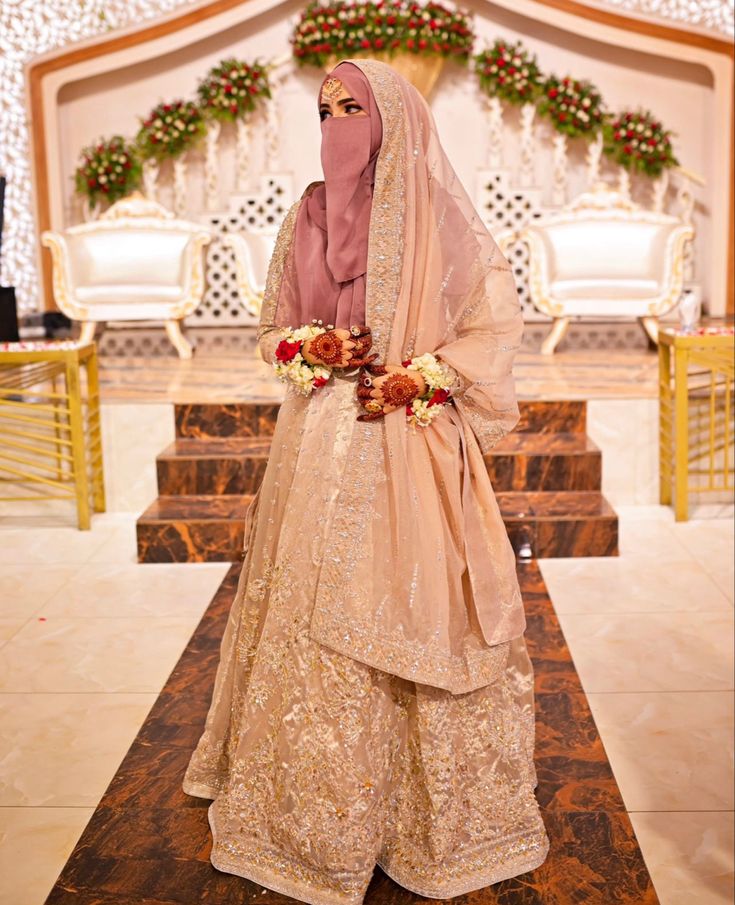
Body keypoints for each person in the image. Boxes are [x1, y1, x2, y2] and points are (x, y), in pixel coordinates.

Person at [182, 58, 550, 904]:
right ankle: (314, 810)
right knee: (311, 612)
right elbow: (270, 328)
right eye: (325, 110)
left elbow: (492, 327)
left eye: (355, 108)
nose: (338, 124)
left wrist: (422, 376)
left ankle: (421, 816)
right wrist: (309, 347)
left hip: (407, 448)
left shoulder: (443, 218)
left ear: (396, 118)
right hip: (315, 447)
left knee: (408, 604)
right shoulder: (307, 213)